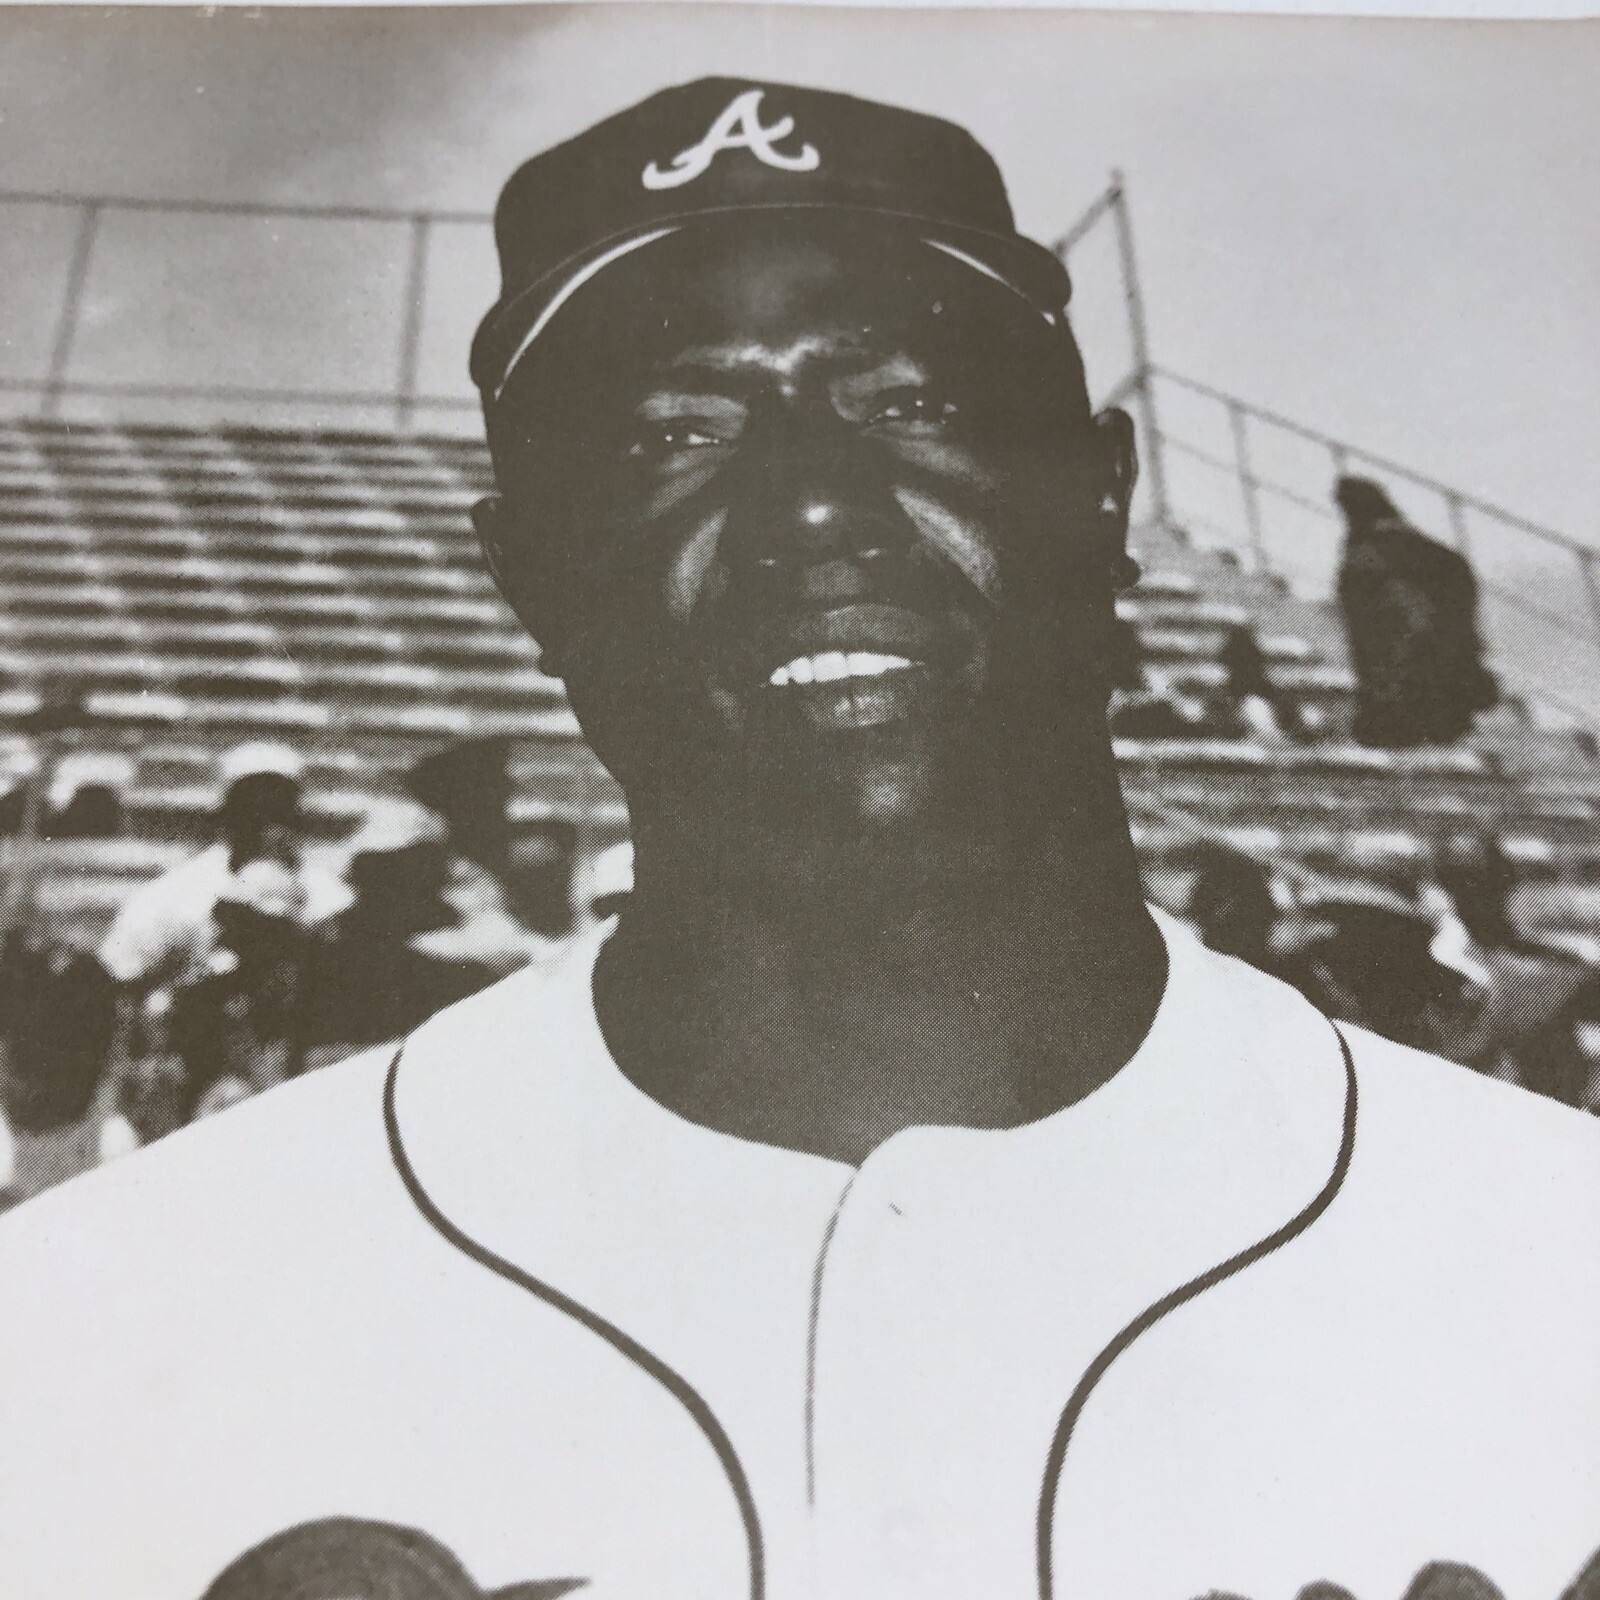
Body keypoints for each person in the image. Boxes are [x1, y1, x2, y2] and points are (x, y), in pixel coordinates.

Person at [0, 79, 1596, 1600]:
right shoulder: (94, 1331)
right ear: (529, 577)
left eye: (909, 398)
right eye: (674, 433)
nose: (814, 501)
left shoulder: (1552, 1261)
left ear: (1105, 496)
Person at [1335, 477, 1498, 748]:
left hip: (1408, 659)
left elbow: (1367, 631)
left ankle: (1408, 717)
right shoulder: (1432, 551)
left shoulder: (1364, 555)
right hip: (1447, 660)